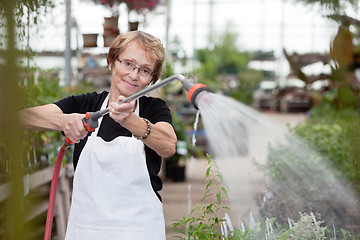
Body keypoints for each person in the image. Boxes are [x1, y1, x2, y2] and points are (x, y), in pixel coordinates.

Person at [19, 30, 177, 240]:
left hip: (139, 231)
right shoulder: (87, 105)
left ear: (151, 79)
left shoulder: (153, 109)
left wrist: (130, 121)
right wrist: (64, 120)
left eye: (145, 70)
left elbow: (168, 145)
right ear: (112, 61)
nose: (134, 75)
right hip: (86, 231)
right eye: (128, 63)